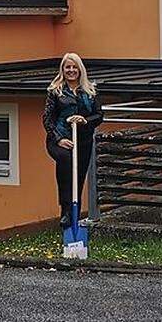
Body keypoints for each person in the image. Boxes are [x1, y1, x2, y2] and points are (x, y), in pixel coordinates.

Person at [43, 53, 103, 227]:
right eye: (67, 67)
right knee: (66, 161)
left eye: (74, 67)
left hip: (83, 140)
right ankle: (66, 210)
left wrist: (85, 121)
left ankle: (73, 218)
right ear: (62, 69)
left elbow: (99, 115)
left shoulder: (91, 90)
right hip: (59, 139)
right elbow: (47, 118)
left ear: (80, 69)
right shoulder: (55, 91)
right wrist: (59, 138)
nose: (71, 70)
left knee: (78, 176)